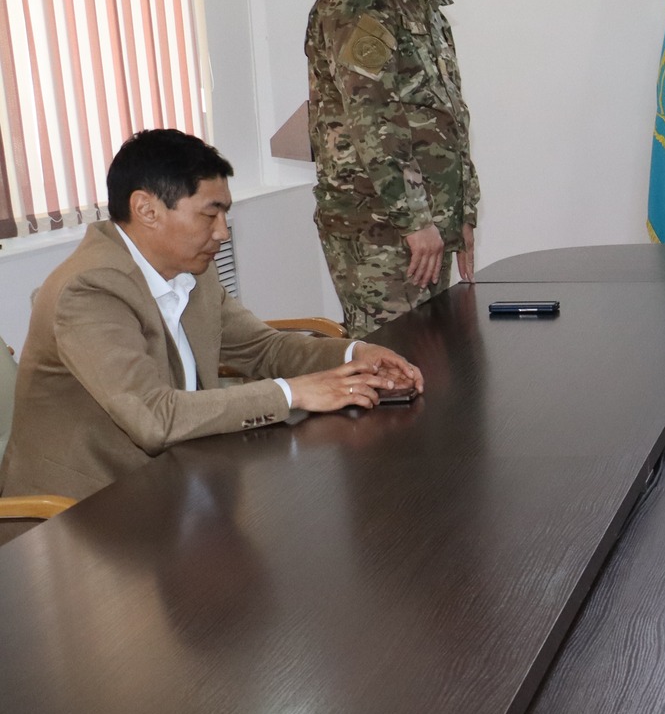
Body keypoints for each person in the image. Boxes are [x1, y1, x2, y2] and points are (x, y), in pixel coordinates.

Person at [0, 131, 424, 500]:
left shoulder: (190, 270)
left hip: (176, 480)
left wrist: (355, 355)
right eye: (209, 214)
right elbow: (155, 417)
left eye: (225, 215)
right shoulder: (89, 290)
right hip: (81, 515)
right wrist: (292, 394)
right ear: (146, 209)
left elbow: (262, 349)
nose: (222, 232)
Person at [306, 0, 479, 338]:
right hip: (381, 230)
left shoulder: (424, 4)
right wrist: (415, 220)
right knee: (392, 362)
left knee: (437, 362)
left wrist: (462, 213)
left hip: (426, 228)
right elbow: (373, 119)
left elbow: (447, 118)